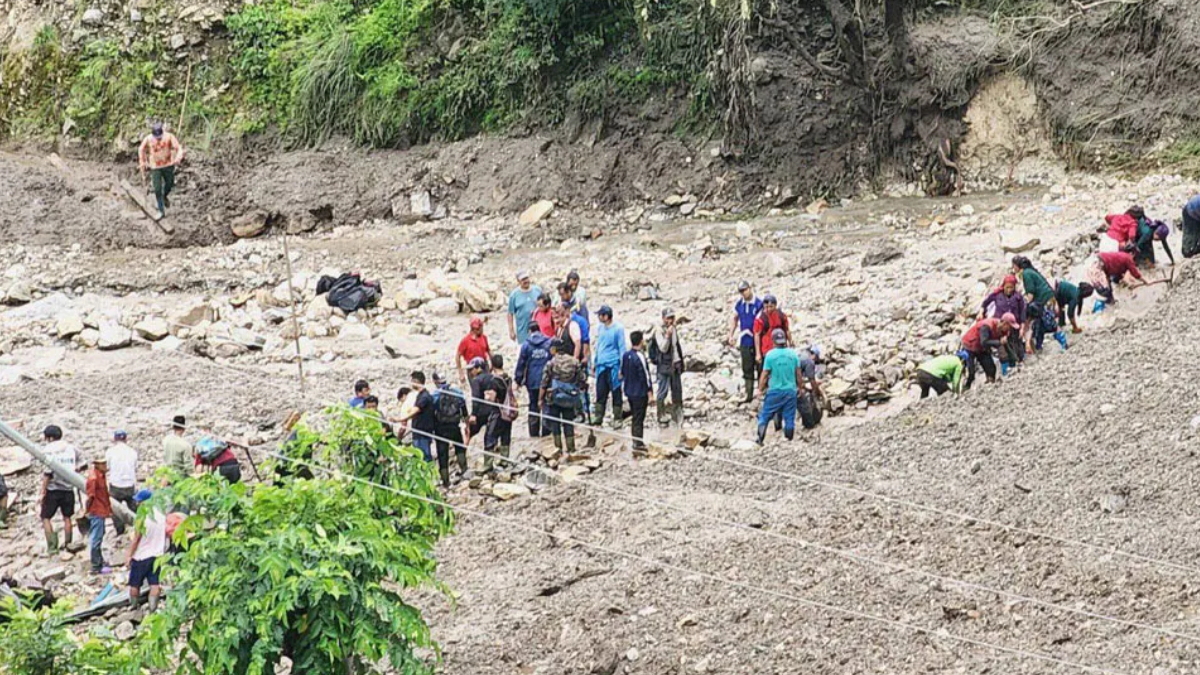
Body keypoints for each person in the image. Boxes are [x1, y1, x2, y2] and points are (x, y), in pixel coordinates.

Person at [540, 339, 587, 456]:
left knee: (555, 423)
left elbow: (544, 383)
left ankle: (558, 449)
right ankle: (571, 448)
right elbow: (582, 379)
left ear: (553, 349)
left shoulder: (551, 363)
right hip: (570, 397)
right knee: (568, 422)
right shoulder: (574, 361)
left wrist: (540, 399)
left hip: (555, 398)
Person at [41, 425, 82, 555]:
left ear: (50, 437)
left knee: (46, 517)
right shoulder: (71, 448)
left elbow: (47, 473)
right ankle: (68, 543)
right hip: (69, 488)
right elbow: (82, 465)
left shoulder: (48, 449)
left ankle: (52, 547)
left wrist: (42, 492)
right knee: (67, 517)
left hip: (53, 488)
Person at [756, 329, 802, 445]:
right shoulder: (793, 354)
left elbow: (765, 374)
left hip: (774, 391)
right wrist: (800, 387)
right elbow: (798, 373)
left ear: (773, 341)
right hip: (790, 391)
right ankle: (789, 442)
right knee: (789, 417)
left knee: (765, 415)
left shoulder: (770, 356)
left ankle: (760, 440)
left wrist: (760, 389)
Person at [126, 489, 166, 612]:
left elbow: (136, 539)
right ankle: (152, 609)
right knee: (154, 583)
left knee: (135, 583)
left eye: (139, 502)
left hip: (141, 556)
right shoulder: (161, 515)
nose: (137, 504)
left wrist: (129, 556)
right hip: (157, 554)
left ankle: (133, 606)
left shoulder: (142, 517)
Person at [979, 274, 1026, 372]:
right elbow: (985, 303)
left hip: (1013, 325)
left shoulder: (1018, 297)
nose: (1009, 289)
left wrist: (1022, 327)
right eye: (1007, 287)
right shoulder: (997, 295)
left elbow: (1022, 311)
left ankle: (1018, 365)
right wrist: (980, 313)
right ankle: (1005, 369)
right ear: (1003, 286)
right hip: (1000, 326)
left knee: (1016, 345)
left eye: (1011, 287)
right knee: (1002, 347)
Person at [431, 373, 471, 488]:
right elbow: (464, 410)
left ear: (435, 381)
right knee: (459, 447)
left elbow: (431, 412)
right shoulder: (457, 392)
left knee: (442, 453)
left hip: (440, 427)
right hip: (454, 425)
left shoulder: (435, 395)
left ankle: (446, 481)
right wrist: (467, 425)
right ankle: (464, 470)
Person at [515, 319, 553, 438]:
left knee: (533, 405)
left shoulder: (526, 345)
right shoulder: (548, 343)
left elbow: (521, 363)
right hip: (546, 380)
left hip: (532, 381)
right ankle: (546, 433)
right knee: (546, 405)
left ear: (530, 331)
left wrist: (518, 379)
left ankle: (534, 433)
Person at [727, 281, 764, 403]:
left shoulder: (759, 304)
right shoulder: (740, 305)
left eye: (745, 289)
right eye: (741, 291)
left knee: (760, 367)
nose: (744, 293)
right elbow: (735, 318)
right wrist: (731, 334)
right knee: (747, 368)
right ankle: (749, 394)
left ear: (750, 288)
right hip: (745, 340)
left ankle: (761, 392)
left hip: (758, 340)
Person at [138, 122, 184, 218]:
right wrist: (142, 161)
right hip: (155, 166)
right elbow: (141, 149)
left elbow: (178, 147)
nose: (158, 138)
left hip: (168, 164)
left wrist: (178, 156)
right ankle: (161, 211)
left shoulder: (169, 137)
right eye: (156, 137)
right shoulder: (148, 139)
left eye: (160, 136)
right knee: (157, 189)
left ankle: (164, 196)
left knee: (170, 183)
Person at [592, 305, 627, 428]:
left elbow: (622, 348)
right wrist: (595, 361)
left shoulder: (618, 329)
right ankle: (598, 417)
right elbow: (598, 346)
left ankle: (617, 417)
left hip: (614, 365)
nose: (599, 317)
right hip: (601, 365)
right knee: (600, 392)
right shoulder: (600, 328)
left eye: (600, 315)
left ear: (606, 316)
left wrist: (622, 368)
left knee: (616, 391)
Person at [961, 313, 1018, 389]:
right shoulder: (987, 326)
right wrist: (998, 343)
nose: (1010, 329)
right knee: (971, 371)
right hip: (970, 345)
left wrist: (1014, 359)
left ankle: (989, 386)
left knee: (991, 369)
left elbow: (1006, 346)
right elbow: (984, 342)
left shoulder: (1004, 331)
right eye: (1009, 326)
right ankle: (966, 387)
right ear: (1004, 323)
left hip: (982, 348)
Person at [1012, 256, 1056, 354]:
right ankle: (1039, 346)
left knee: (1042, 322)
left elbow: (1030, 293)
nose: (1013, 268)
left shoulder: (1026, 274)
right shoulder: (1030, 271)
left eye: (1014, 266)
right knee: (1042, 322)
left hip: (1043, 300)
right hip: (1048, 297)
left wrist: (1024, 307)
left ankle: (1034, 346)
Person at [649, 307, 685, 427]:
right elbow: (663, 348)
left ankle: (678, 414)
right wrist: (668, 336)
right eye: (668, 318)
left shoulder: (674, 328)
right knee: (662, 390)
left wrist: (680, 361)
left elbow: (676, 346)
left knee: (677, 389)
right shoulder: (659, 331)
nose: (670, 320)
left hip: (675, 363)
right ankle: (661, 414)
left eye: (672, 317)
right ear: (663, 318)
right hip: (664, 365)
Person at [480, 355, 514, 475]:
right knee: (506, 434)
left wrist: (486, 396)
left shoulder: (494, 380)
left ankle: (488, 464)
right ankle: (504, 460)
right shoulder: (507, 377)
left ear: (492, 365)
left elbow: (492, 398)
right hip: (508, 411)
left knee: (490, 436)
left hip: (497, 412)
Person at [621, 331, 653, 454]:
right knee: (639, 417)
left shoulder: (626, 355)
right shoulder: (640, 356)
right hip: (640, 392)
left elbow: (622, 373)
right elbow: (645, 375)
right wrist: (650, 392)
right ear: (641, 341)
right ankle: (638, 442)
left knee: (635, 416)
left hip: (629, 391)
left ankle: (635, 439)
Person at [396, 372, 436, 462]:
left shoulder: (424, 397)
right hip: (419, 432)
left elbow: (415, 410)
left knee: (423, 458)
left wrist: (398, 420)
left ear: (416, 381)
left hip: (422, 432)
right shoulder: (420, 395)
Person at [84, 457, 114, 575]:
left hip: (101, 509)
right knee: (96, 538)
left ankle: (99, 562)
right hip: (97, 510)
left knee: (99, 536)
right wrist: (88, 510)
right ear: (97, 465)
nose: (106, 466)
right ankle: (96, 565)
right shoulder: (94, 478)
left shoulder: (100, 475)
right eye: (103, 464)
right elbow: (90, 496)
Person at [106, 430, 138, 535]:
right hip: (130, 484)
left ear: (115, 439)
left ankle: (120, 530)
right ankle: (137, 525)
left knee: (115, 508)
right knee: (133, 506)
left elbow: (107, 467)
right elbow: (135, 467)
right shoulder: (132, 452)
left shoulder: (110, 452)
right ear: (126, 439)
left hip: (116, 484)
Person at [753, 294, 792, 366]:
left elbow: (787, 329)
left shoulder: (781, 315)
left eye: (771, 307)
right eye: (766, 307)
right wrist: (758, 353)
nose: (768, 309)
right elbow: (757, 335)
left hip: (781, 348)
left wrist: (790, 342)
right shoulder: (760, 318)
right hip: (767, 349)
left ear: (775, 305)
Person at [507, 271, 542, 345]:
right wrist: (511, 330)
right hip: (523, 329)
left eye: (526, 278)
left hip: (539, 326)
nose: (526, 281)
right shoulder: (514, 295)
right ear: (518, 281)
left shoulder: (538, 290)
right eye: (523, 279)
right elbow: (510, 313)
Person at [456, 317, 492, 385]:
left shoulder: (483, 337)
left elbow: (488, 350)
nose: (482, 330)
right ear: (475, 329)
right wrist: (460, 372)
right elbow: (458, 356)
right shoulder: (465, 341)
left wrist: (493, 363)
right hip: (472, 368)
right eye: (481, 328)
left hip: (484, 366)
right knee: (476, 388)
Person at [162, 415, 192, 479]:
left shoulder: (166, 440)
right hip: (179, 477)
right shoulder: (186, 445)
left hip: (167, 474)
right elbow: (188, 466)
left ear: (173, 427)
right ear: (184, 429)